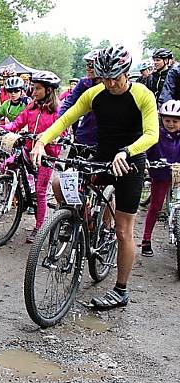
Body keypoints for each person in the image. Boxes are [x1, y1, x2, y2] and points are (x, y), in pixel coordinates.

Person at [32, 45, 159, 310]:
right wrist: (42, 141)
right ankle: (78, 220)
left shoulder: (142, 95)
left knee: (124, 231)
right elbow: (65, 119)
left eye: (116, 77)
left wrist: (128, 151)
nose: (110, 83)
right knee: (59, 182)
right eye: (105, 78)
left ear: (126, 72)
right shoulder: (94, 94)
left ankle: (121, 290)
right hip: (101, 157)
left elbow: (151, 134)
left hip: (130, 162)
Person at [0, 71, 62, 242]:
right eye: (33, 87)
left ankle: (39, 228)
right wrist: (3, 128)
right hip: (29, 149)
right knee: (8, 164)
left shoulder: (58, 110)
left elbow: (63, 129)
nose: (34, 91)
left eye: (38, 88)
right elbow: (18, 123)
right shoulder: (31, 106)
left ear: (49, 90)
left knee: (40, 191)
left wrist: (52, 139)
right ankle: (16, 193)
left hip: (47, 155)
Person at [141, 100, 180, 257]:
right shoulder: (156, 134)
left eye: (175, 121)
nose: (171, 124)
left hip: (178, 175)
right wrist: (146, 160)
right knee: (156, 206)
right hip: (161, 174)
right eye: (167, 120)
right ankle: (146, 239)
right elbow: (145, 149)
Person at [59, 50, 101, 147]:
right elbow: (69, 102)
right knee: (71, 161)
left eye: (91, 65)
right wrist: (57, 122)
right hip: (84, 134)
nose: (88, 68)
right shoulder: (84, 83)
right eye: (87, 65)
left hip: (103, 138)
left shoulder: (111, 86)